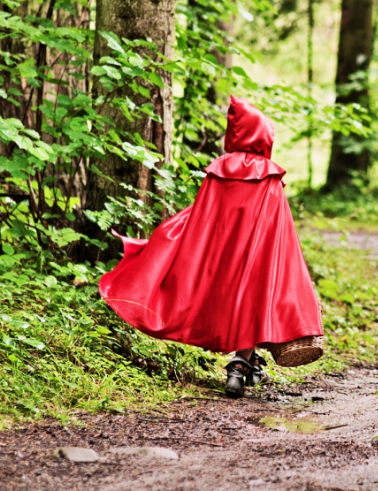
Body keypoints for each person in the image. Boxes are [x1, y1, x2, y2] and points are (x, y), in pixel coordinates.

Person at [99, 96, 324, 398]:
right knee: (252, 294)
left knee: (228, 293)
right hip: (255, 255)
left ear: (236, 134)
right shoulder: (269, 176)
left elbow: (205, 217)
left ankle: (246, 361)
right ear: (263, 136)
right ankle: (242, 362)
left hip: (218, 253)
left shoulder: (219, 170)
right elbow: (278, 231)